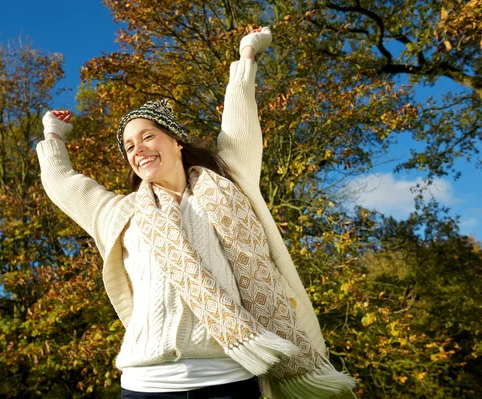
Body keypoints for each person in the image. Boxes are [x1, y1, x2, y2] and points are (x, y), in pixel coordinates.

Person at [37, 27, 356, 399]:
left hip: (230, 380)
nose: (137, 149)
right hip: (147, 384)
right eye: (128, 146)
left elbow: (239, 121)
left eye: (147, 136)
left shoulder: (228, 182)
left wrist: (247, 54)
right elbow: (62, 183)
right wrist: (54, 134)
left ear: (174, 140)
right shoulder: (119, 213)